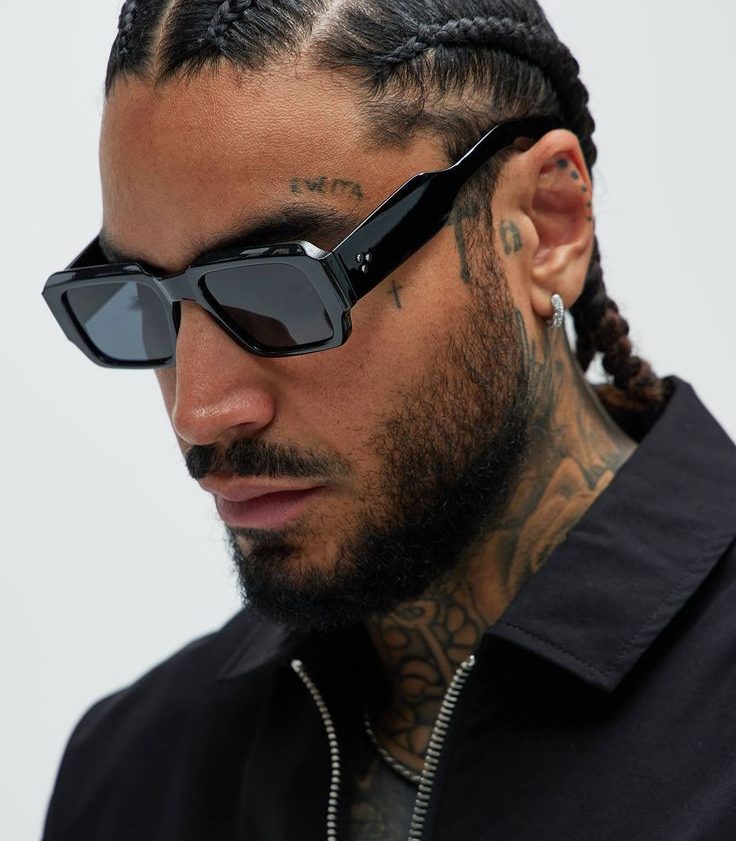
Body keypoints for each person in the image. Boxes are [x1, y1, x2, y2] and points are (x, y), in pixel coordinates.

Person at [41, 1, 736, 839]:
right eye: (140, 301)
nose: (199, 412)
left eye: (281, 291)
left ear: (545, 225)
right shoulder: (130, 775)